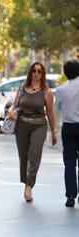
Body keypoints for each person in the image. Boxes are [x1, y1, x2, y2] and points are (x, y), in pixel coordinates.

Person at [8, 62, 57, 202]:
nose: (36, 73)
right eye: (34, 70)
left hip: (39, 126)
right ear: (30, 72)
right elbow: (15, 105)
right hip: (22, 126)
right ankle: (26, 184)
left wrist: (53, 132)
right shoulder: (22, 88)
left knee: (34, 155)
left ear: (43, 74)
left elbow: (50, 113)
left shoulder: (47, 92)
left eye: (39, 71)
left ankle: (30, 186)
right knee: (24, 157)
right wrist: (11, 112)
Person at [55, 60, 79, 207]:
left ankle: (70, 196)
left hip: (69, 128)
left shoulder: (61, 90)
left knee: (69, 163)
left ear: (65, 73)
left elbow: (57, 108)